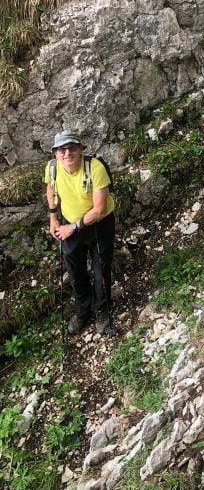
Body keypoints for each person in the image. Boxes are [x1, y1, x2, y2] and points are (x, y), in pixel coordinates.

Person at [45, 131, 116, 336]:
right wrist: (53, 217)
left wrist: (72, 228)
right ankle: (83, 310)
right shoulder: (52, 168)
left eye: (72, 148)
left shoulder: (95, 167)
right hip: (69, 225)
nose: (67, 153)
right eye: (61, 149)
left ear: (81, 149)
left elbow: (100, 209)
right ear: (55, 153)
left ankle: (101, 312)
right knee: (75, 272)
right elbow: (51, 189)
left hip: (99, 225)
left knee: (101, 270)